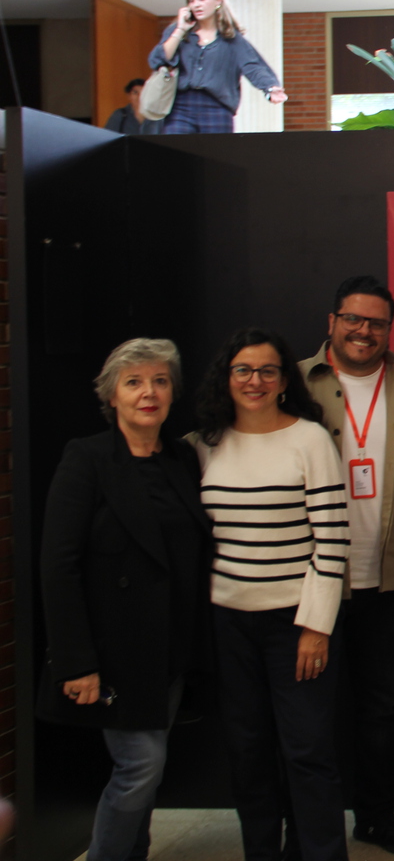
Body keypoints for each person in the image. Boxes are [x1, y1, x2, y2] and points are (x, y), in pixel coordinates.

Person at [38, 338, 213, 861]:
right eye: (134, 382)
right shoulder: (87, 458)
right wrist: (75, 662)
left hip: (171, 651)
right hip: (113, 652)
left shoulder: (183, 458)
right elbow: (59, 566)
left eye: (160, 381)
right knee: (140, 767)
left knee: (149, 770)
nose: (148, 392)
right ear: (111, 395)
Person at [193, 328, 350, 861]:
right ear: (227, 378)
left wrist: (316, 627)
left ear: (285, 381)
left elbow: (332, 540)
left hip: (295, 625)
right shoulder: (205, 444)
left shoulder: (310, 440)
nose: (254, 381)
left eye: (267, 371)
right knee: (248, 753)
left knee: (307, 752)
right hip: (228, 625)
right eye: (243, 370)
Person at [299, 277, 394, 855]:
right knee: (309, 716)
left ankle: (375, 816)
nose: (363, 331)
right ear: (332, 322)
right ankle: (308, 828)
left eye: (376, 323)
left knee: (382, 709)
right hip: (312, 582)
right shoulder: (293, 384)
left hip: (388, 576)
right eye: (353, 319)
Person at [148, 0, 286, 134]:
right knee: (175, 149)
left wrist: (269, 87)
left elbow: (253, 65)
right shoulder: (179, 32)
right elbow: (157, 60)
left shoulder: (231, 39)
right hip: (180, 108)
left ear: (217, 0)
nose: (196, 5)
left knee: (215, 150)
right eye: (191, 1)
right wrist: (180, 30)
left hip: (217, 108)